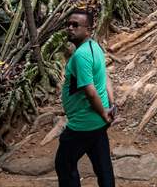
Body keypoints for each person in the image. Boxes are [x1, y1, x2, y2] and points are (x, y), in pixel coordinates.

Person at [55, 9, 116, 187]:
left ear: (88, 30)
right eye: (68, 24)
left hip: (83, 123)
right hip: (97, 121)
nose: (70, 28)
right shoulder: (94, 47)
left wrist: (105, 113)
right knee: (103, 166)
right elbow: (105, 78)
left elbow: (90, 91)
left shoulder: (81, 56)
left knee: (64, 165)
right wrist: (111, 106)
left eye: (76, 25)